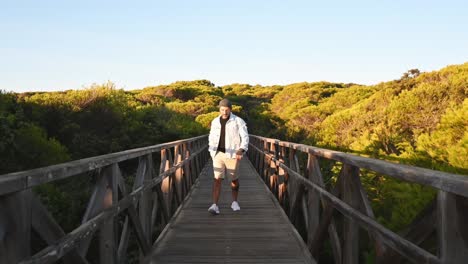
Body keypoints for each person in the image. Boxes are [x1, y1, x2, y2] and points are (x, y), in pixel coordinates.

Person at [207, 99, 249, 215]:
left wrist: (241, 149)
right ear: (219, 109)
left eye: (226, 110)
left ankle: (234, 202)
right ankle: (215, 205)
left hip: (232, 154)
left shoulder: (238, 121)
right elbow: (211, 136)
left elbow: (245, 137)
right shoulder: (215, 121)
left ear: (230, 109)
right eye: (222, 110)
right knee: (217, 179)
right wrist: (211, 150)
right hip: (217, 154)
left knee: (234, 179)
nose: (224, 112)